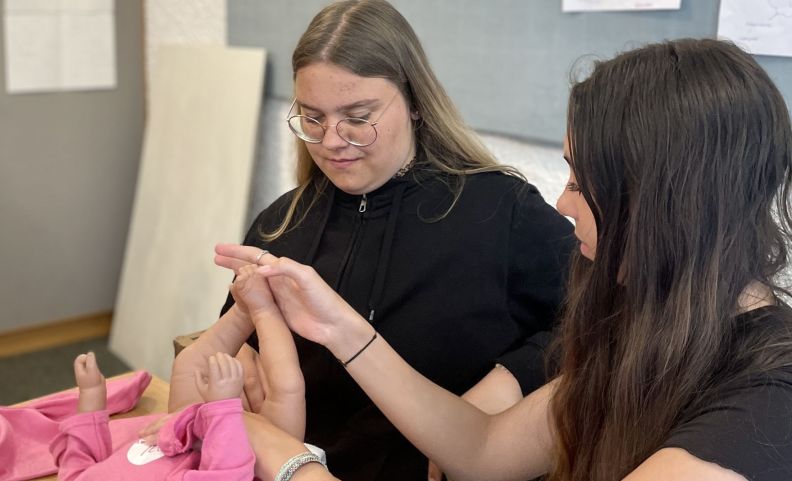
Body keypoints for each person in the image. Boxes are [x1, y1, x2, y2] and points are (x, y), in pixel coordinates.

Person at [216, 38, 792, 481]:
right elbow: (485, 450)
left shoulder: (767, 396)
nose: (564, 203)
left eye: (581, 181)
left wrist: (294, 462)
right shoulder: (651, 327)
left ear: (667, 201)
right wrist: (342, 330)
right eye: (313, 117)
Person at [169, 1, 574, 480]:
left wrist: (511, 381)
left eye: (358, 117)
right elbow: (234, 343)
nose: (332, 141)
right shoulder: (281, 225)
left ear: (415, 102)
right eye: (313, 118)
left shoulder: (501, 210)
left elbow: (605, 321)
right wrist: (238, 358)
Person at [54, 266, 306, 481]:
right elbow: (225, 473)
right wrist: (221, 406)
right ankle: (265, 310)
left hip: (182, 424)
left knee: (189, 364)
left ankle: (243, 309)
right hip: (246, 455)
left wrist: (91, 400)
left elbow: (76, 466)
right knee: (285, 390)